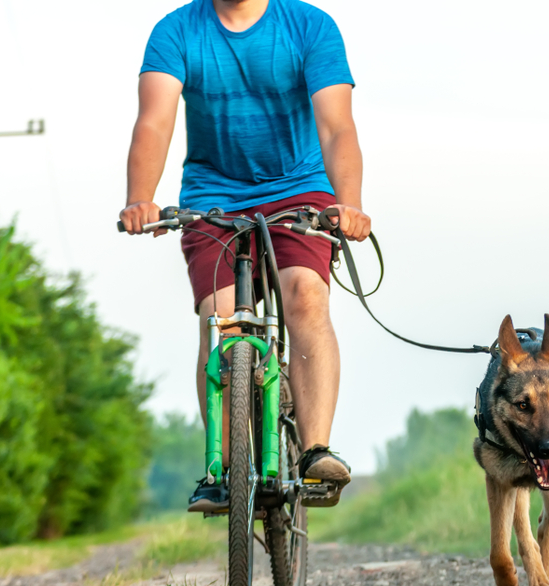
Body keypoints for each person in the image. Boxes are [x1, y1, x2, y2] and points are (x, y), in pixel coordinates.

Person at [119, 0, 367, 511]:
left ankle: (315, 450)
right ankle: (223, 469)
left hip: (300, 191)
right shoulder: (177, 31)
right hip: (213, 195)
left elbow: (336, 126)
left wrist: (350, 205)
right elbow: (155, 122)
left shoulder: (309, 27)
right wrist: (140, 197)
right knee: (220, 321)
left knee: (306, 297)